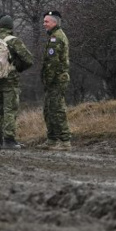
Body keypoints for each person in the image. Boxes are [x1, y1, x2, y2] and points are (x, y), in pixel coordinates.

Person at [0, 14, 33, 150]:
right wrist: (18, 66)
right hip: (10, 81)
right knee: (10, 109)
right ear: (11, 27)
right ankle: (9, 140)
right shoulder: (14, 41)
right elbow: (29, 60)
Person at [41, 10, 72, 150]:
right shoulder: (54, 36)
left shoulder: (56, 38)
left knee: (57, 109)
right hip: (54, 79)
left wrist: (47, 80)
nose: (44, 24)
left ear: (54, 22)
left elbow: (52, 63)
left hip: (57, 80)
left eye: (46, 21)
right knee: (48, 109)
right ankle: (51, 140)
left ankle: (65, 141)